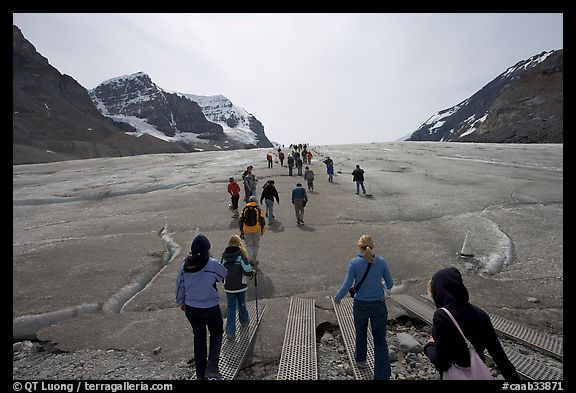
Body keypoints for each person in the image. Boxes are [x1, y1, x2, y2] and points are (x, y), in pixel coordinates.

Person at [423, 267, 521, 381]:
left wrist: (429, 347)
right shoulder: (480, 314)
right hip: (478, 373)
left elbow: (441, 363)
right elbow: (499, 356)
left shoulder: (442, 316)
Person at [334, 235, 394, 380]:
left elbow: (347, 284)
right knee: (380, 340)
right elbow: (390, 284)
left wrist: (338, 298)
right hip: (379, 305)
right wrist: (383, 286)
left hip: (360, 305)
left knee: (360, 333)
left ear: (359, 246)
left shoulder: (354, 263)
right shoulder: (381, 262)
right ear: (372, 246)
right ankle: (382, 375)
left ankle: (360, 360)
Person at [175, 234, 227, 380]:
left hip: (191, 308)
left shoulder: (184, 266)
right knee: (216, 334)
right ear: (207, 249)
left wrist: (181, 302)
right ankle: (212, 369)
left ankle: (200, 374)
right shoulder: (212, 264)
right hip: (210, 307)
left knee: (199, 337)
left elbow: (179, 286)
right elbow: (223, 275)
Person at [220, 235, 255, 340]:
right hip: (240, 285)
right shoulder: (241, 255)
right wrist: (252, 272)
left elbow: (221, 271)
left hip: (229, 286)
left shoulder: (224, 256)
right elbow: (247, 270)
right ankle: (244, 321)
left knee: (231, 307)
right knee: (241, 304)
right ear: (239, 243)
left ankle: (230, 332)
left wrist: (224, 281)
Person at [239, 196, 266, 267]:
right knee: (256, 245)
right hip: (256, 229)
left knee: (249, 245)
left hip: (246, 230)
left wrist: (241, 231)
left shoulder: (244, 209)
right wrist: (262, 230)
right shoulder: (258, 209)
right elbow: (262, 220)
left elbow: (241, 220)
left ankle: (249, 259)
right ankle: (254, 260)